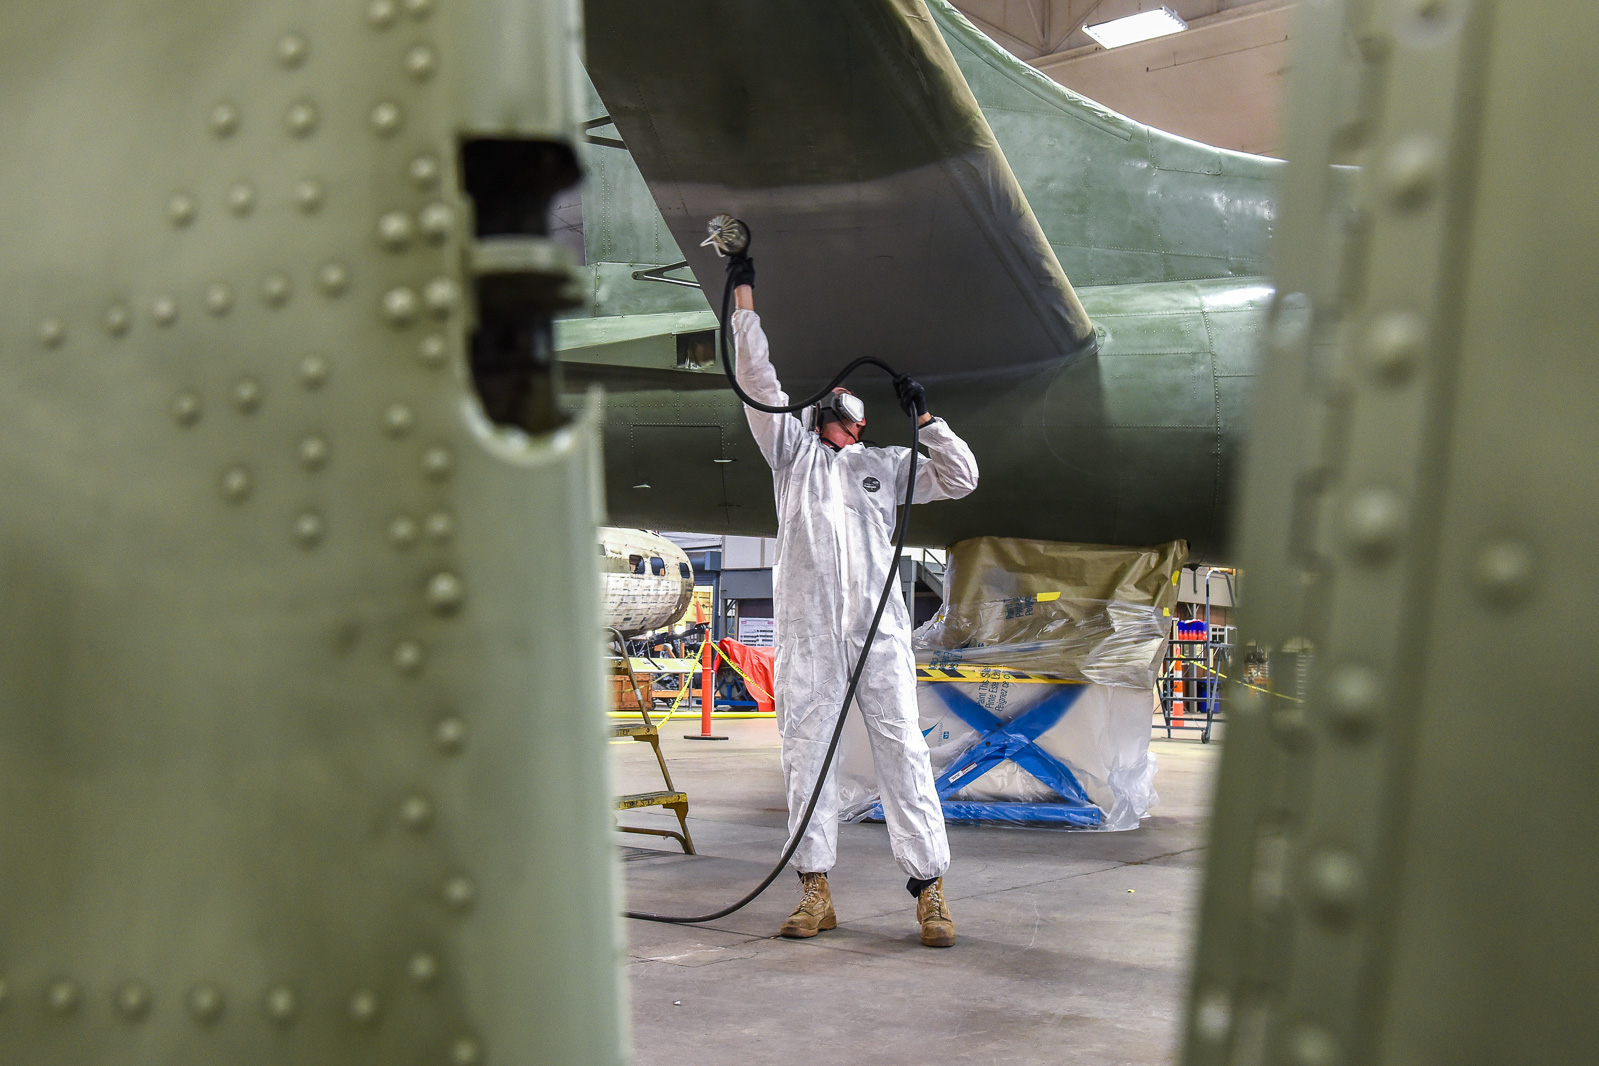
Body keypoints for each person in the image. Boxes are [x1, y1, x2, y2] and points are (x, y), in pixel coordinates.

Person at [724, 245, 979, 947]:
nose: (829, 410)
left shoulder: (888, 467)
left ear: (861, 423)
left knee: (902, 753)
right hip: (808, 637)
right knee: (806, 754)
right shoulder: (790, 458)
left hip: (879, 636)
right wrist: (744, 301)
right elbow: (757, 379)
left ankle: (930, 892)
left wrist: (927, 422)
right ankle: (814, 890)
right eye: (824, 407)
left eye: (843, 410)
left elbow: (960, 479)